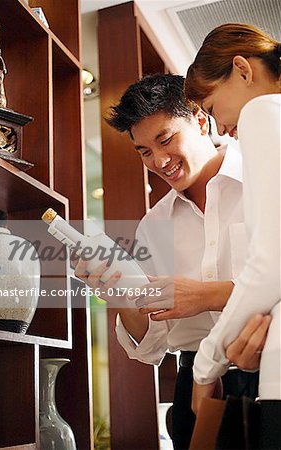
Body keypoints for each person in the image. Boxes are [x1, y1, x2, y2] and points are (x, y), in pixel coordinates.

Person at [75, 74, 259, 449]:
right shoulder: (154, 225)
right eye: (144, 151)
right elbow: (150, 348)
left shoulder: (264, 179)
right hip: (194, 388)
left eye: (165, 139)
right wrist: (120, 293)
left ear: (201, 120)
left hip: (269, 369)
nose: (159, 161)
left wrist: (207, 295)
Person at [185, 23, 281, 448]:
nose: (221, 128)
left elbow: (271, 262)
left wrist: (205, 367)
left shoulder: (264, 113)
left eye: (211, 105)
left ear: (243, 69)